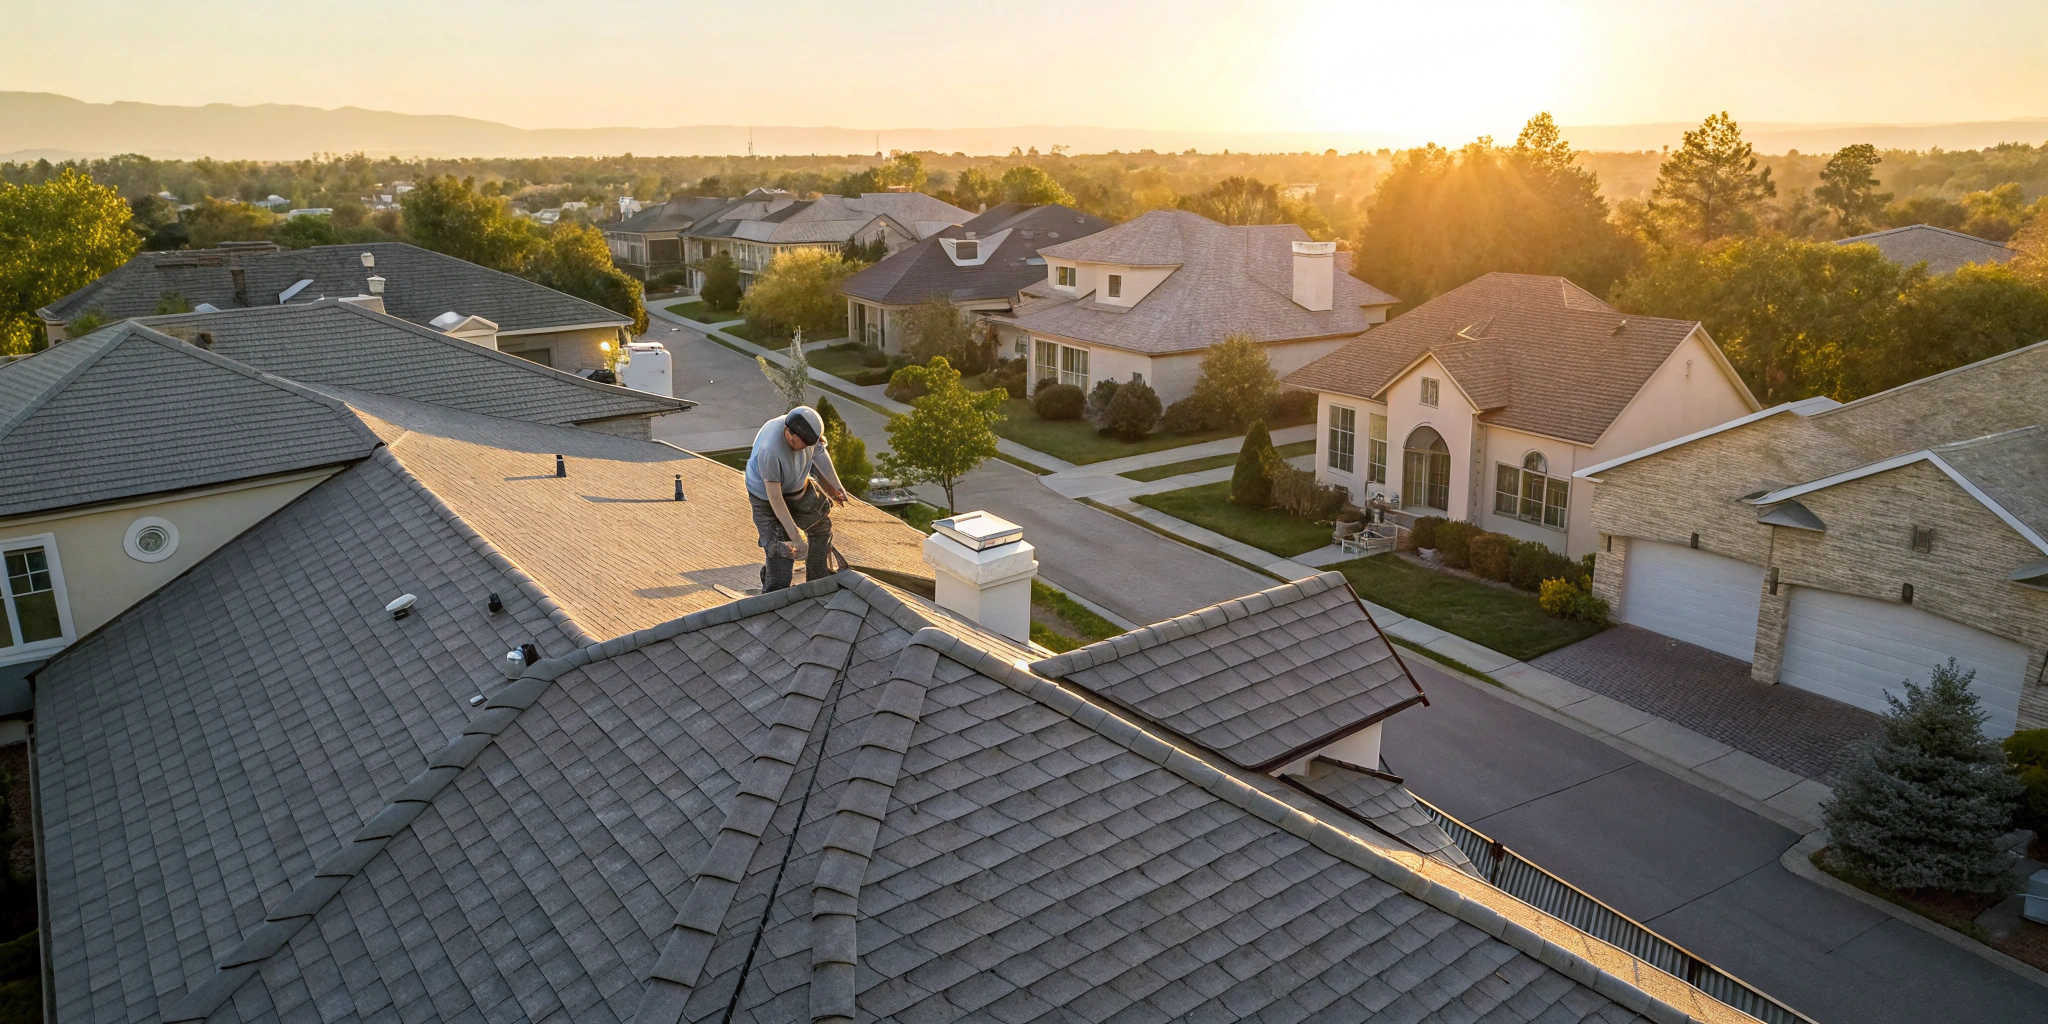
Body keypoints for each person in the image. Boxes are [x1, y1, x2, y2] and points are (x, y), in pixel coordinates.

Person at [743, 406, 850, 591]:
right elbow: (776, 499)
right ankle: (773, 586)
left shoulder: (807, 432)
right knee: (783, 553)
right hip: (766, 499)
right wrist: (796, 539)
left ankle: (817, 582)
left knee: (821, 528)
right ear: (788, 431)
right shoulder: (770, 450)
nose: (801, 449)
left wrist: (835, 487)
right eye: (797, 444)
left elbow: (819, 453)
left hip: (797, 488)